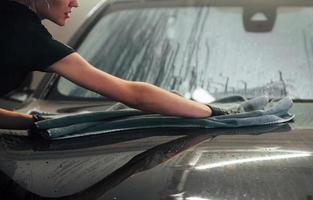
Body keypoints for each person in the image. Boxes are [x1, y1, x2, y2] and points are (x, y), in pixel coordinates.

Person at [0, 0, 216, 131]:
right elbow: (134, 94)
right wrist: (212, 112)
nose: (75, 3)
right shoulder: (24, 34)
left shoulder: (10, 20)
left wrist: (37, 122)